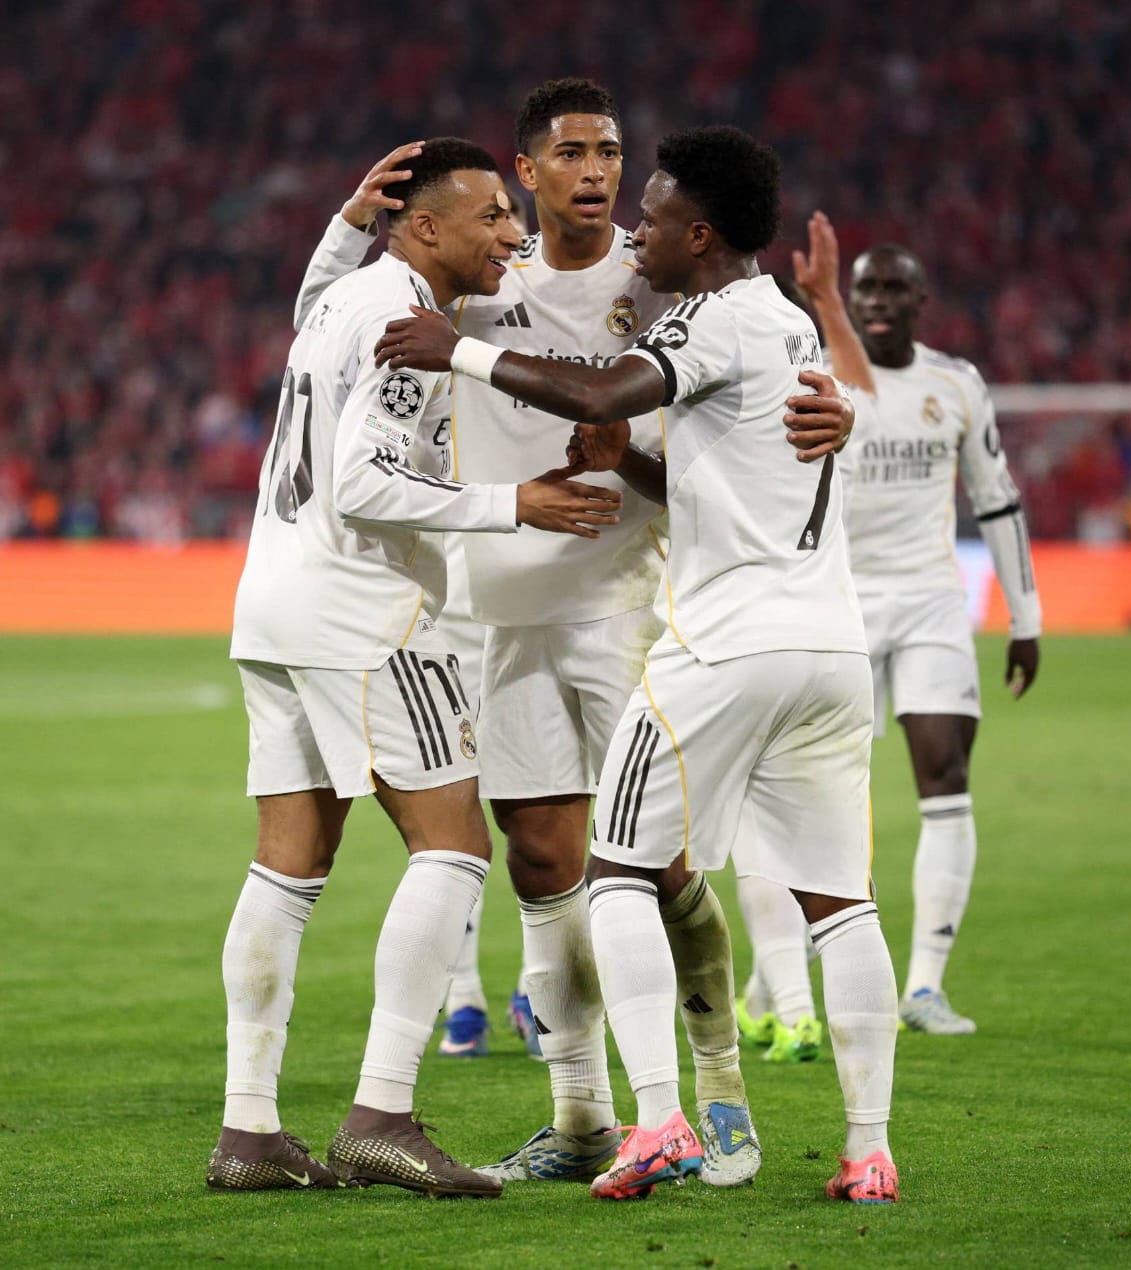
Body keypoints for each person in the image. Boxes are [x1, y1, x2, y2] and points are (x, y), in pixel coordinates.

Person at [294, 79, 849, 1187]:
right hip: (496, 612)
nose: (596, 171)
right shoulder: (478, 271)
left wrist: (843, 410)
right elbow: (328, 326)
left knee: (656, 865)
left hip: (626, 598)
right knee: (543, 864)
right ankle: (582, 1114)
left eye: (609, 152)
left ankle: (718, 1092)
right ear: (526, 171)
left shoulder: (656, 274)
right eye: (572, 153)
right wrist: (350, 224)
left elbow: (774, 350)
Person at [208, 138, 622, 1196]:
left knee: (288, 864)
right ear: (425, 227)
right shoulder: (404, 323)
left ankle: (249, 1130)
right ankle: (380, 1115)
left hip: (273, 598)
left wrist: (347, 223)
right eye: (492, 216)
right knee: (454, 846)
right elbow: (365, 483)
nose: (514, 232)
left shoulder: (343, 299)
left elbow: (308, 308)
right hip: (367, 614)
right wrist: (513, 503)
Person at [738, 214, 1042, 1037]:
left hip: (933, 601)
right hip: (838, 602)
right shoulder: (813, 370)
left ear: (920, 299)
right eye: (864, 287)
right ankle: (778, 974)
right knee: (826, 796)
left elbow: (997, 497)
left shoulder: (957, 383)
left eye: (891, 287)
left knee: (945, 775)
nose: (875, 300)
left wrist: (1025, 616)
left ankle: (926, 987)